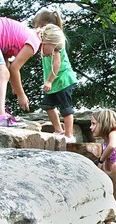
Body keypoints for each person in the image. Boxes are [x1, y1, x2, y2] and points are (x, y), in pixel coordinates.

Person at [33, 9, 78, 143]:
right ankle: (58, 129)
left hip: (63, 80)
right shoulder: (44, 43)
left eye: (39, 26)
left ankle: (69, 135)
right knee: (48, 106)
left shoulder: (56, 43)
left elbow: (57, 64)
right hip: (53, 82)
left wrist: (49, 81)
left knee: (65, 108)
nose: (36, 29)